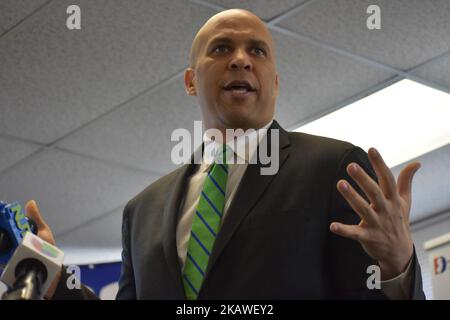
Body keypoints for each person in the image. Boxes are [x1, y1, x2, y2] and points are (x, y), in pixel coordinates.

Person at [24, 9, 424, 299]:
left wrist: (397, 268)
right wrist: (54, 278)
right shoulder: (142, 210)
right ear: (190, 81)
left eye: (258, 51)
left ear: (275, 81)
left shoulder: (333, 169)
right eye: (220, 48)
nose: (240, 59)